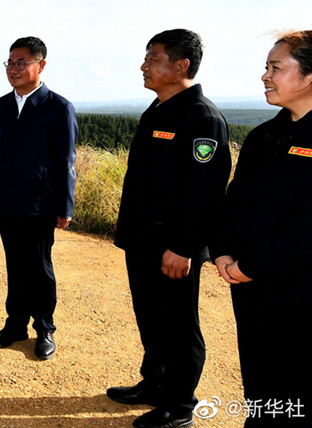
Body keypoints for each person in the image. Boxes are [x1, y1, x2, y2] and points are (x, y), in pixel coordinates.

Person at [108, 29, 231, 428]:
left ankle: (179, 404)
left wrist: (184, 247)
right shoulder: (158, 109)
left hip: (173, 246)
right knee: (151, 316)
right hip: (143, 239)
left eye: (153, 59)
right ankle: (154, 383)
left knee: (178, 324)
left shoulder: (202, 117)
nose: (144, 66)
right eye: (146, 58)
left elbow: (205, 192)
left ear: (181, 66)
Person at [211, 31, 312, 427]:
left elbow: (306, 229)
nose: (265, 75)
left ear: (309, 75)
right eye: (266, 67)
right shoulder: (263, 136)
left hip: (299, 293)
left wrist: (252, 265)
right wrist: (222, 250)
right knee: (260, 382)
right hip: (251, 288)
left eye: (276, 67)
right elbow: (234, 201)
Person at [0, 36, 77, 361]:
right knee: (15, 264)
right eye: (10, 63)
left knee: (39, 268)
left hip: (40, 204)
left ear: (41, 65)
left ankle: (44, 328)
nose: (14, 69)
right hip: (8, 202)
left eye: (21, 63)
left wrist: (64, 204)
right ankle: (15, 325)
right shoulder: (2, 106)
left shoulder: (58, 107)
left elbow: (66, 160)